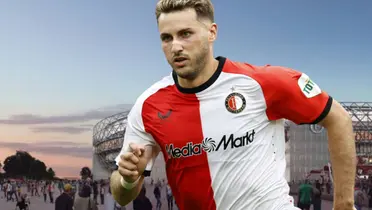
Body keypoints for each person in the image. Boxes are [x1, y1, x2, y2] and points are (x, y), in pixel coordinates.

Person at [110, 0, 356, 209]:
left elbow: (338, 118)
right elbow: (122, 196)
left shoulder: (264, 83)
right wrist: (128, 178)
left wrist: (344, 204)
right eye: (166, 38)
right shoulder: (148, 106)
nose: (176, 46)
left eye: (185, 34)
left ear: (212, 32)